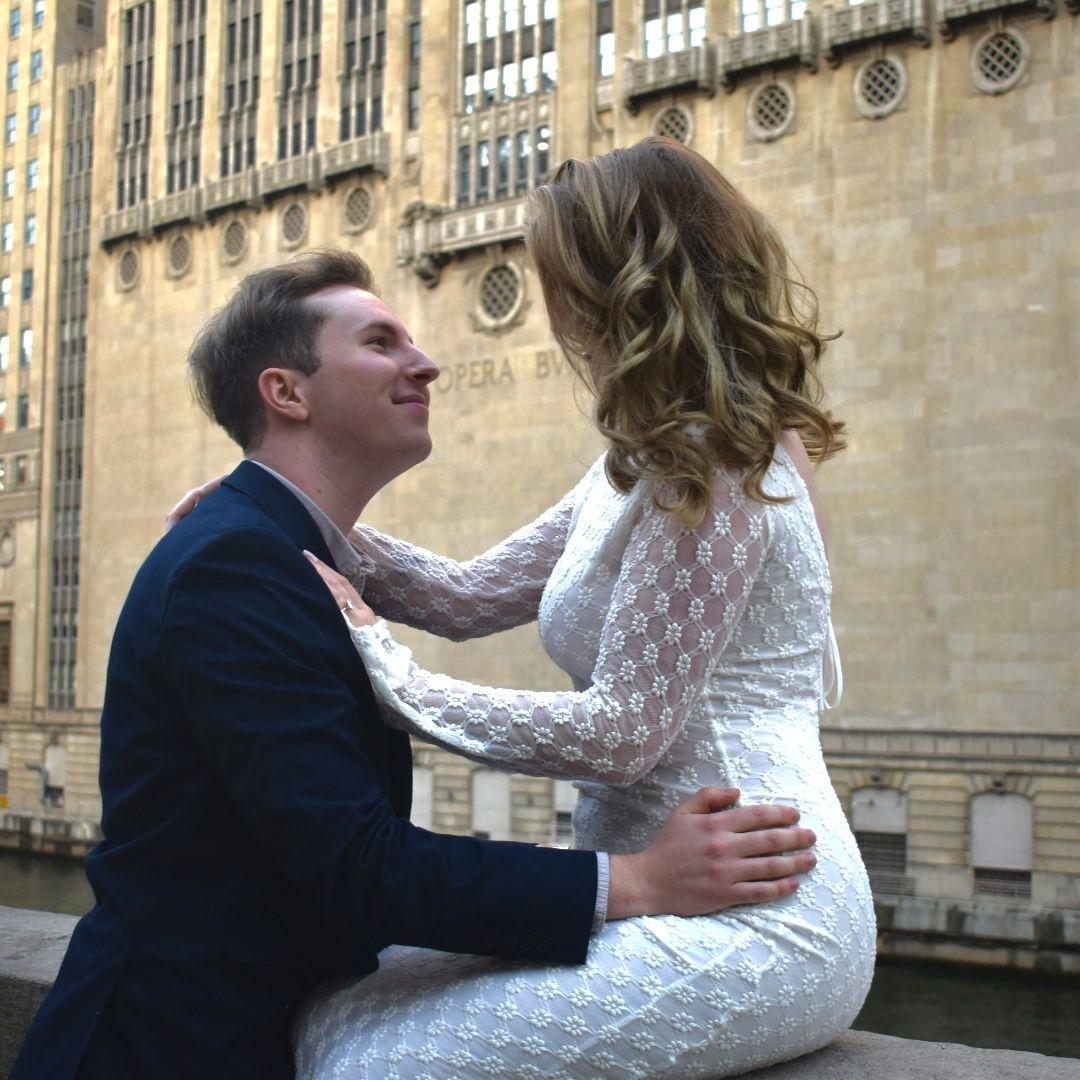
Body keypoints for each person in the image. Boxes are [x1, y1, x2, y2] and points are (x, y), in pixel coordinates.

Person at [12, 246, 818, 1080]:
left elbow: (466, 596)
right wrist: (635, 882)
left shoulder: (269, 547)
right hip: (171, 1044)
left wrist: (304, 527)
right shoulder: (236, 562)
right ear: (286, 393)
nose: (426, 363)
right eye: (381, 343)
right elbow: (360, 867)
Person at [290, 138, 877, 1077]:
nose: (553, 305)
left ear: (621, 285)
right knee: (329, 1012)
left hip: (766, 909)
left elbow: (622, 734)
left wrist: (389, 673)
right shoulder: (643, 457)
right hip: (654, 885)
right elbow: (469, 594)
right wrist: (290, 518)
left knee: (372, 1064)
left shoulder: (715, 458)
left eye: (561, 275)